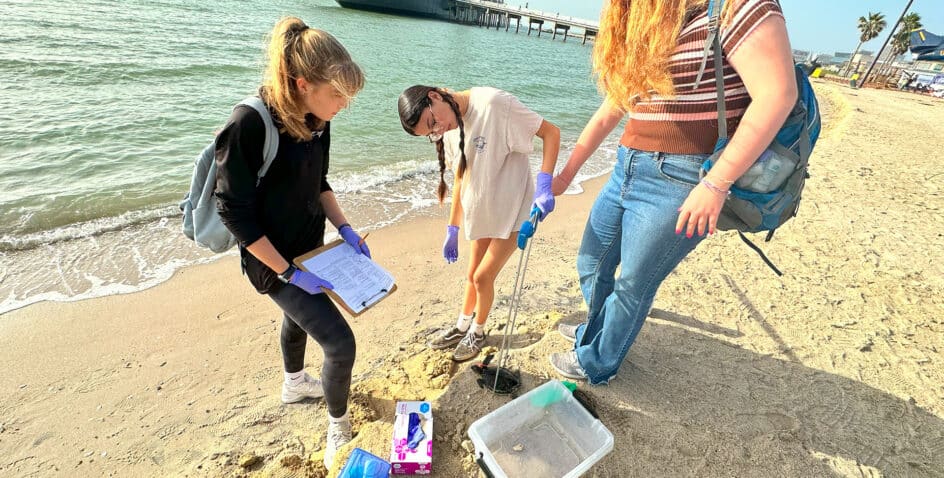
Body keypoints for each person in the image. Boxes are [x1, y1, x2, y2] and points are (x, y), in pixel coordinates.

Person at [548, 0, 798, 384]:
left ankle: (598, 361)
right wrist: (565, 175)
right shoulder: (650, 20)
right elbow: (610, 111)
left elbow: (777, 94)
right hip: (625, 166)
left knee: (634, 282)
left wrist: (715, 184)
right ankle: (595, 332)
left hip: (682, 177)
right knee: (591, 262)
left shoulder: (737, 6)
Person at [214, 17, 369, 468]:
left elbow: (319, 182)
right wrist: (287, 272)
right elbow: (232, 210)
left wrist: (345, 229)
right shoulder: (249, 123)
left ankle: (294, 382)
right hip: (270, 259)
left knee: (300, 319)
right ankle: (337, 429)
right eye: (337, 94)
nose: (343, 105)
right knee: (340, 344)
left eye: (348, 97)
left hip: (311, 245)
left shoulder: (319, 118)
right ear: (302, 83)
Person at [397, 85, 560, 361]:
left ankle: (479, 330)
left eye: (432, 122)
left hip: (513, 211)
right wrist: (452, 227)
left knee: (483, 277)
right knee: (471, 274)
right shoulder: (448, 130)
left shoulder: (495, 105)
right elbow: (461, 178)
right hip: (482, 210)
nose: (439, 129)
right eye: (431, 132)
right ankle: (462, 325)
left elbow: (551, 133)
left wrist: (545, 185)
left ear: (435, 96)